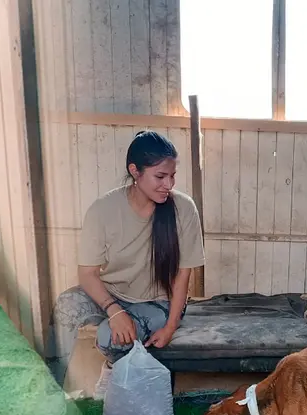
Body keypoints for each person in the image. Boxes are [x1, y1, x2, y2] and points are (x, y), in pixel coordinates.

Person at [51, 131, 206, 382]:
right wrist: (114, 311)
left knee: (109, 338)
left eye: (172, 176)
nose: (169, 184)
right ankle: (51, 390)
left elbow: (182, 275)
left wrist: (170, 326)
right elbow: (88, 274)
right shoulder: (102, 210)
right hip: (111, 295)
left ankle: (112, 380)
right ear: (135, 171)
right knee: (65, 307)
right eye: (160, 176)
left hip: (158, 302)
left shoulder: (184, 209)